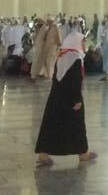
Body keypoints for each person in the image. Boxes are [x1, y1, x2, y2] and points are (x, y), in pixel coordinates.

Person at [35, 23, 98, 167]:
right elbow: (75, 81)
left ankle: (43, 155)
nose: (83, 45)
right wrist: (77, 100)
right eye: (82, 42)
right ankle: (83, 153)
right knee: (77, 126)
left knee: (52, 126)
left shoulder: (62, 56)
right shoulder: (75, 58)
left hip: (56, 98)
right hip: (71, 99)